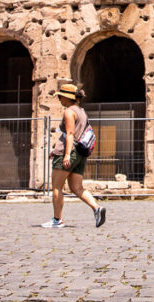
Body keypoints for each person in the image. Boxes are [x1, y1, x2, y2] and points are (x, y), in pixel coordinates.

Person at [42, 83, 106, 229]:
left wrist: (66, 155)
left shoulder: (69, 112)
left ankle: (57, 220)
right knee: (76, 187)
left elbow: (70, 134)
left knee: (57, 187)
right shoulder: (82, 111)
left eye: (60, 96)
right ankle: (97, 208)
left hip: (69, 151)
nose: (59, 99)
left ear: (67, 97)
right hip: (80, 153)